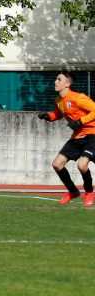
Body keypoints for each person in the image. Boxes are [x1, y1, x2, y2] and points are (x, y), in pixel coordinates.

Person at [38, 70, 95, 206]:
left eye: (59, 79)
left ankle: (89, 192)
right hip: (77, 137)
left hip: (92, 134)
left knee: (82, 165)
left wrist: (81, 121)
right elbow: (58, 114)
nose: (55, 82)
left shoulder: (78, 98)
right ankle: (73, 191)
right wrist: (48, 116)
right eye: (56, 79)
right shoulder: (59, 100)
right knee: (57, 164)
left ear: (67, 84)